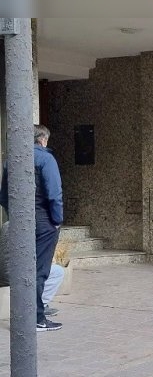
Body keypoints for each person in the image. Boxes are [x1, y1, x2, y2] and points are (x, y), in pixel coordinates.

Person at [0, 124, 64, 331]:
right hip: (44, 221)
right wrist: (57, 220)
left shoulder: (12, 161)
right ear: (42, 139)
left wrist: (17, 217)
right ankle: (37, 318)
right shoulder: (46, 159)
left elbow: (3, 196)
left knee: (24, 268)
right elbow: (54, 194)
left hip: (20, 222)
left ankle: (25, 314)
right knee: (40, 270)